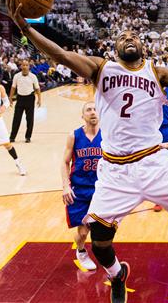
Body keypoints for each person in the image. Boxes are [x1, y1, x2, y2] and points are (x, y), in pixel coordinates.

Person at [7, 0, 168, 303]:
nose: (129, 39)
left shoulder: (157, 73)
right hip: (115, 171)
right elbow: (60, 54)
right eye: (123, 37)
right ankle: (117, 275)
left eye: (134, 37)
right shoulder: (101, 69)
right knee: (100, 240)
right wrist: (25, 28)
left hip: (156, 165)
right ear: (115, 50)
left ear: (143, 47)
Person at [61, 101, 102, 271]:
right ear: (83, 115)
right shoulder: (74, 135)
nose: (93, 112)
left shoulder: (107, 135)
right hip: (79, 189)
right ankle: (81, 250)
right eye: (89, 110)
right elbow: (65, 162)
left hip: (101, 190)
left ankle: (102, 253)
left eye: (95, 109)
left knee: (101, 231)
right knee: (84, 232)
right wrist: (65, 186)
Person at [9, 60, 41, 143]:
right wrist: (10, 98)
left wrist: (39, 99)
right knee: (16, 119)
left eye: (26, 65)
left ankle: (28, 137)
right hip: (20, 99)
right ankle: (12, 137)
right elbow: (13, 87)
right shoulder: (16, 76)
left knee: (30, 119)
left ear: (29, 66)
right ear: (21, 66)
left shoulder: (33, 76)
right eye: (23, 65)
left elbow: (37, 88)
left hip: (30, 99)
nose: (25, 67)